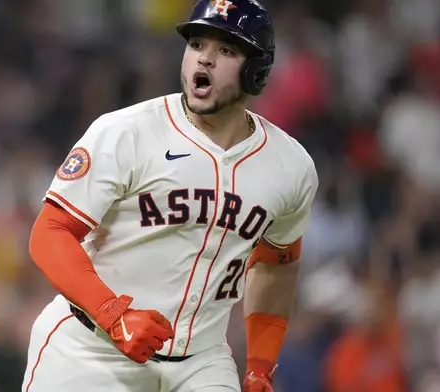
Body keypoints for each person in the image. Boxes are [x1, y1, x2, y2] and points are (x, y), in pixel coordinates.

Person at [22, 0, 319, 391]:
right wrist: (113, 315)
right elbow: (50, 232)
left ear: (256, 71)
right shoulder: (127, 132)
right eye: (197, 45)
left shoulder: (290, 165)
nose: (205, 59)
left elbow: (277, 262)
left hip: (201, 362)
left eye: (226, 50)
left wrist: (260, 365)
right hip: (91, 350)